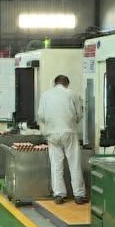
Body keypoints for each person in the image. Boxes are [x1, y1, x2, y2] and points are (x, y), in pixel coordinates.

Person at [36, 74, 86, 205]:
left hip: (52, 133)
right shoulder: (72, 94)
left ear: (55, 83)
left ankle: (59, 194)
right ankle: (79, 195)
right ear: (67, 84)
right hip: (69, 132)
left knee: (56, 165)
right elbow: (79, 114)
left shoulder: (45, 95)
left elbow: (41, 115)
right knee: (74, 163)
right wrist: (72, 122)